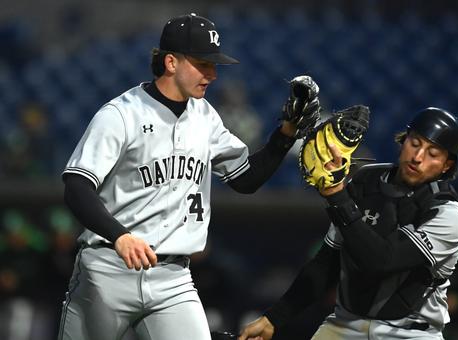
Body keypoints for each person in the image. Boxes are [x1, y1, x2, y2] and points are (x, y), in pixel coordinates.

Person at [57, 13, 320, 340]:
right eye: (203, 64)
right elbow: (77, 187)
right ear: (170, 62)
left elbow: (245, 179)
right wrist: (120, 235)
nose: (212, 74)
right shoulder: (121, 114)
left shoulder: (205, 116)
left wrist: (286, 134)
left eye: (214, 66)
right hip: (108, 269)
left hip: (174, 278)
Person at [239, 107, 458, 340]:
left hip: (410, 333)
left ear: (447, 165)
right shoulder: (365, 181)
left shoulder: (448, 214)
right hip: (344, 324)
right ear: (404, 140)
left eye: (433, 153)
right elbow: (327, 263)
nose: (418, 157)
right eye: (415, 143)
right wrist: (274, 319)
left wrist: (337, 196)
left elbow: (382, 261)